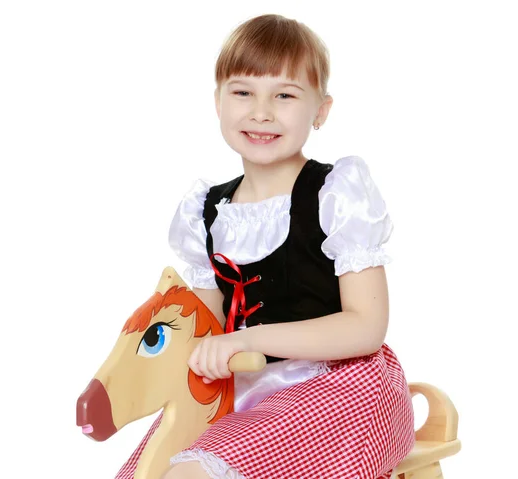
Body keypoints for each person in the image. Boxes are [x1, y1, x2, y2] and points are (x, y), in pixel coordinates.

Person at [117, 13, 415, 479]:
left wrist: (249, 338)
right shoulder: (206, 211)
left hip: (339, 389)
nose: (262, 111)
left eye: (285, 95)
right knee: (156, 466)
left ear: (321, 110)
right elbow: (204, 327)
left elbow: (366, 328)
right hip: (245, 387)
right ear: (217, 102)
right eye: (243, 92)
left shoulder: (335, 195)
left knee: (197, 472)